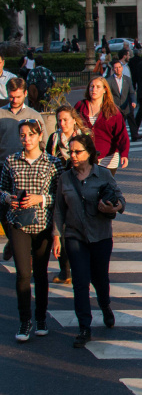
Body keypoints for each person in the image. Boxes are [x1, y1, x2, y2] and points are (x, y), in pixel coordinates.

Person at [53, 133, 124, 348]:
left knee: (100, 279)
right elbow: (58, 209)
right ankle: (84, 327)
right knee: (80, 282)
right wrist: (56, 236)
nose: (73, 156)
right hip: (75, 236)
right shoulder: (65, 178)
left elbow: (121, 200)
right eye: (70, 151)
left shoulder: (102, 174)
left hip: (101, 235)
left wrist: (114, 207)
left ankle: (105, 305)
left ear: (89, 153)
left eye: (78, 152)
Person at [1, 119, 64, 343]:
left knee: (40, 272)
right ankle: (24, 320)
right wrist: (8, 198)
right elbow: (2, 188)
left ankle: (41, 318)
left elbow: (60, 197)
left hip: (42, 224)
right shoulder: (11, 161)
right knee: (22, 274)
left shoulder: (53, 163)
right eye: (22, 135)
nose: (26, 139)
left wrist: (40, 198)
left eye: (30, 135)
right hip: (18, 223)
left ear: (39, 136)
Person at [0, 78, 45, 262]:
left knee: (25, 206)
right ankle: (13, 239)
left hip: (28, 167)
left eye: (18, 96)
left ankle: (26, 248)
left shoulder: (34, 115)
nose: (14, 100)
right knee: (3, 208)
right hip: (3, 165)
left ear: (25, 94)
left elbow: (43, 142)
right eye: (11, 97)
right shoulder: (1, 114)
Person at [45, 105, 89, 283]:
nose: (62, 123)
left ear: (73, 120)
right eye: (59, 120)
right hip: (59, 187)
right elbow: (48, 161)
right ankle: (65, 270)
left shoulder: (83, 137)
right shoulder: (54, 138)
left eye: (65, 120)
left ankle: (82, 267)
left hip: (80, 188)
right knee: (61, 230)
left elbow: (91, 160)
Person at [74, 76, 130, 176]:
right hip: (85, 156)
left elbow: (121, 134)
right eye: (92, 86)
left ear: (105, 90)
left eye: (98, 87)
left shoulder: (113, 111)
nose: (94, 89)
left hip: (107, 157)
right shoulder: (80, 106)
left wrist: (124, 153)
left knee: (104, 188)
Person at [106, 59, 142, 142]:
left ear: (122, 68)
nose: (118, 69)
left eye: (119, 67)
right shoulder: (109, 81)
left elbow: (132, 92)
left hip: (127, 105)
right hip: (116, 106)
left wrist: (133, 101)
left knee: (131, 119)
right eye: (116, 68)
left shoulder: (127, 79)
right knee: (118, 124)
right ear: (113, 69)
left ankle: (134, 135)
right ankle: (118, 138)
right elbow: (108, 95)